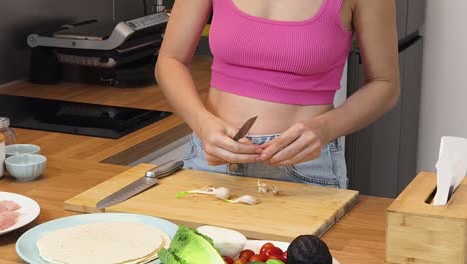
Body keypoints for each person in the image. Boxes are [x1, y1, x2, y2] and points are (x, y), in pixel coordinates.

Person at [155, 0, 399, 189]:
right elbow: (170, 60)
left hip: (306, 169)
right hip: (212, 159)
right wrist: (203, 123)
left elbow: (385, 84)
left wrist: (325, 128)